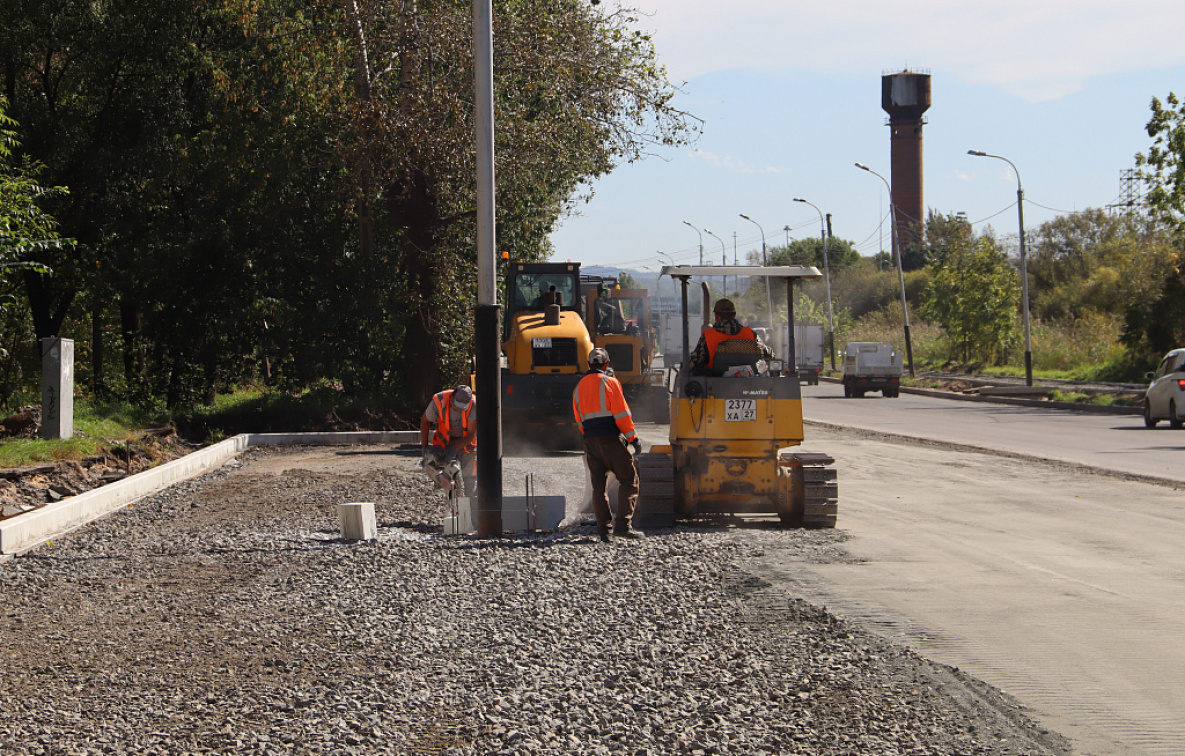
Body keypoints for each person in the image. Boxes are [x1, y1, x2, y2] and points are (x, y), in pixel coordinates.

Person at [572, 348, 643, 542]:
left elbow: (579, 420)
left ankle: (604, 531)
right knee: (628, 480)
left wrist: (591, 439)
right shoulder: (610, 383)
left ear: (589, 365)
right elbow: (622, 414)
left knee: (599, 487)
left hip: (590, 441)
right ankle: (623, 526)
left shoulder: (578, 388)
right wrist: (633, 439)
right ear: (606, 364)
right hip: (610, 438)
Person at [688, 298, 773, 375]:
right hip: (750, 385)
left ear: (716, 316)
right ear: (734, 314)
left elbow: (695, 361)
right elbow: (768, 353)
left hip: (715, 385)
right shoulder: (750, 334)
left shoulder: (707, 336)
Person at [420, 385, 477, 497]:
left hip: (466, 443)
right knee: (446, 474)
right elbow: (425, 421)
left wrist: (454, 447)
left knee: (470, 477)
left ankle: (471, 506)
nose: (458, 409)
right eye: (456, 406)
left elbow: (471, 434)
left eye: (461, 407)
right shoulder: (439, 400)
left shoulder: (473, 404)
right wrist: (425, 447)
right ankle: (452, 501)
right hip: (444, 442)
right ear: (451, 398)